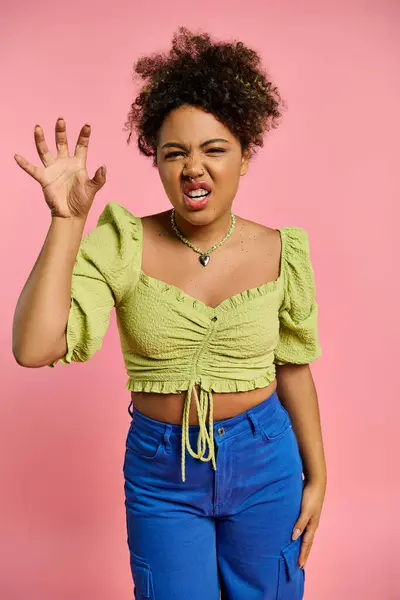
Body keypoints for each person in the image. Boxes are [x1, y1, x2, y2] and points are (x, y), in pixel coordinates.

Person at [12, 26, 327, 600]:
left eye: (214, 149)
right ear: (156, 162)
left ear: (245, 156)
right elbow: (34, 349)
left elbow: (294, 366)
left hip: (267, 460)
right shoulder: (124, 241)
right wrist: (66, 224)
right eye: (174, 152)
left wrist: (319, 475)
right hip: (163, 472)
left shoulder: (284, 250)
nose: (193, 168)